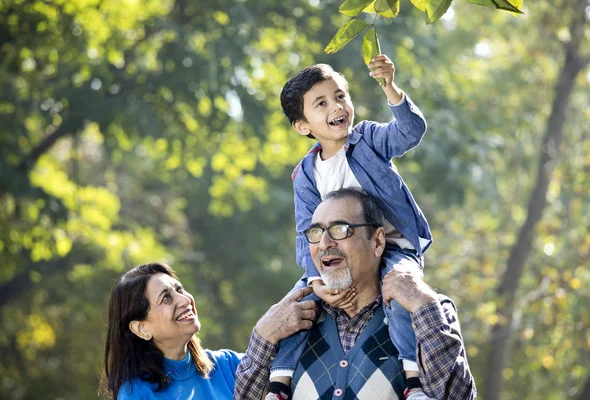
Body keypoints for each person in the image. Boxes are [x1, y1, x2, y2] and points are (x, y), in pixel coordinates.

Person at [267, 54, 433, 399]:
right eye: (321, 103)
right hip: (338, 255)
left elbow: (410, 132)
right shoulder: (307, 174)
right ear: (302, 125)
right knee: (297, 303)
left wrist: (390, 88)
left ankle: (413, 381)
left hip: (393, 247)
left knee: (401, 292)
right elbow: (305, 232)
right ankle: (278, 383)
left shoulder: (369, 139)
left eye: (341, 96)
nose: (336, 107)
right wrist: (315, 278)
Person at [235, 188, 477, 399]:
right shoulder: (289, 321)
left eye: (340, 229)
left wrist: (423, 303)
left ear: (378, 242)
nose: (324, 243)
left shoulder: (427, 311)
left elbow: (456, 396)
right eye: (316, 232)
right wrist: (263, 336)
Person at [100, 262, 318, 399]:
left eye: (180, 289)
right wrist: (262, 334)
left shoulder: (228, 365)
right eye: (166, 297)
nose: (184, 300)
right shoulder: (137, 393)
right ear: (141, 327)